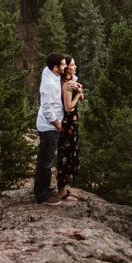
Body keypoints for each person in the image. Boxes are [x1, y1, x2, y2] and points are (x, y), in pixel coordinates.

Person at [33, 52, 66, 205]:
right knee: (46, 161)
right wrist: (57, 125)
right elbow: (47, 108)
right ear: (55, 68)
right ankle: (42, 195)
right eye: (63, 65)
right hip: (49, 127)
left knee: (45, 159)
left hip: (49, 126)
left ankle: (43, 188)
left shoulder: (50, 73)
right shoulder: (50, 84)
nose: (65, 67)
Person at [57, 56, 83, 201]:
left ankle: (65, 189)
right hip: (67, 123)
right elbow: (68, 107)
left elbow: (82, 97)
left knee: (70, 153)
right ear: (66, 68)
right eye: (73, 64)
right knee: (65, 155)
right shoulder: (66, 85)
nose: (75, 66)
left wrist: (79, 89)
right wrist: (78, 93)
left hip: (72, 123)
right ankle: (61, 190)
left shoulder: (72, 82)